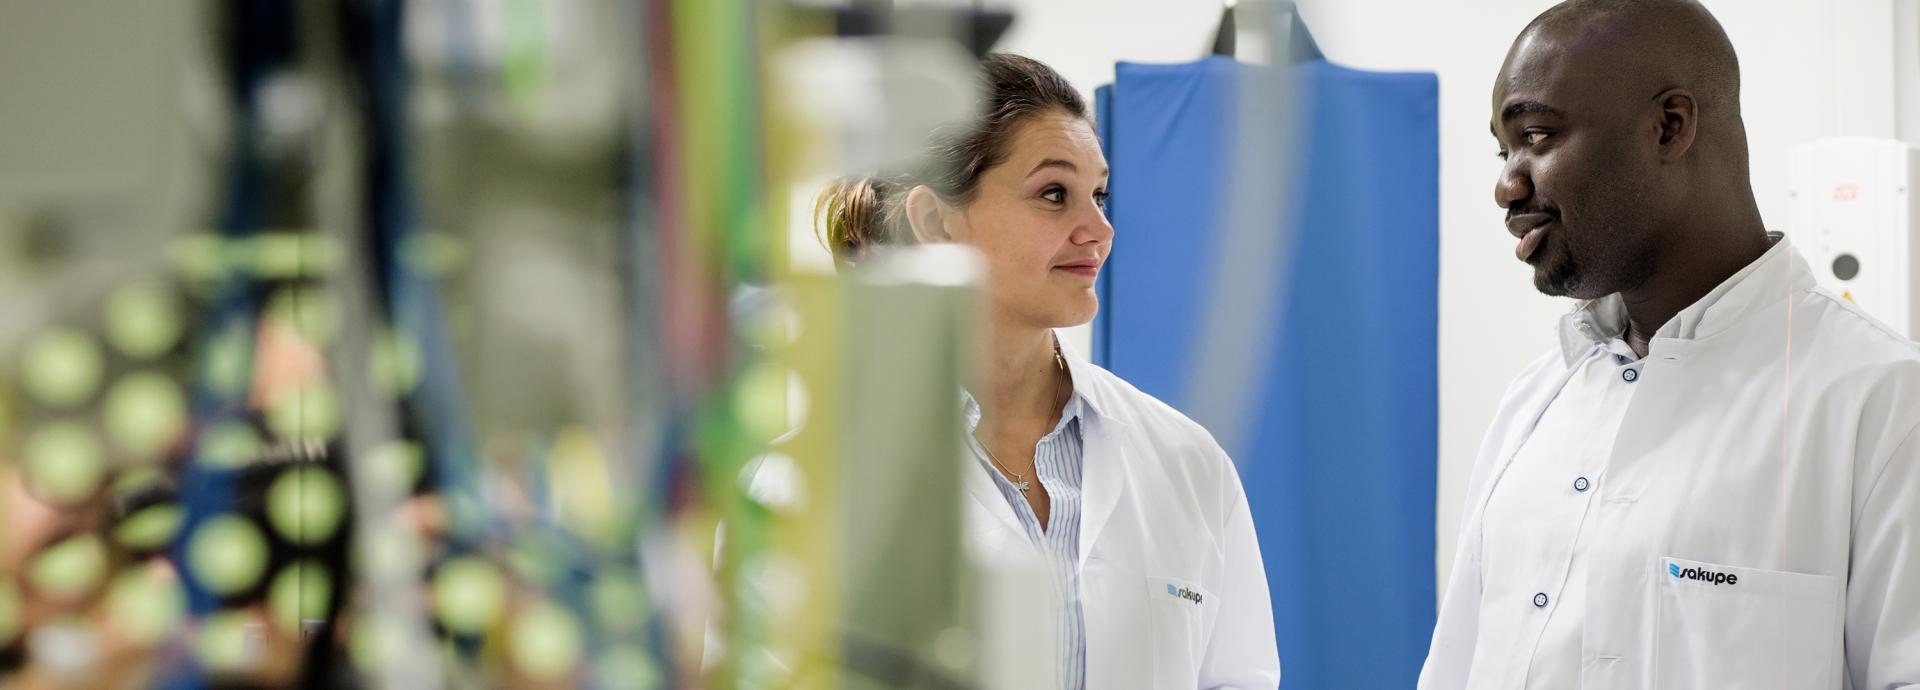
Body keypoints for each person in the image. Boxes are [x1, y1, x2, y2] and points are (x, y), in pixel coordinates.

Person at [1420, 1, 1920, 688]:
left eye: (1536, 135)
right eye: (1505, 150)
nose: (1508, 183)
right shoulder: (1535, 403)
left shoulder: (1885, 404)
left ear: (1669, 126)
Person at [816, 53, 1279, 690]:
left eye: (1100, 194)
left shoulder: (1187, 462)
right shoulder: (816, 485)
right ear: (935, 222)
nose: (1099, 229)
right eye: (1054, 194)